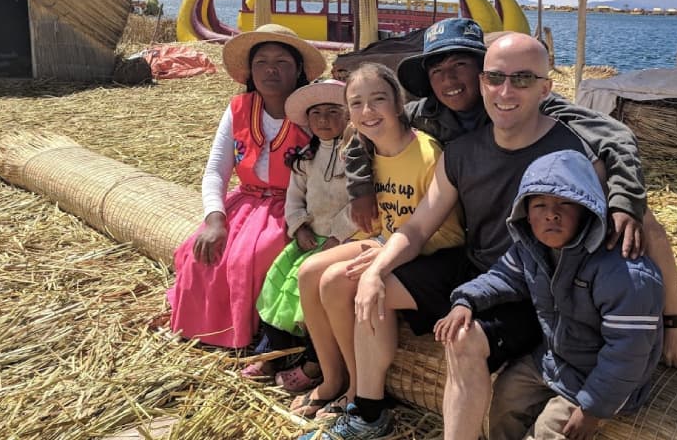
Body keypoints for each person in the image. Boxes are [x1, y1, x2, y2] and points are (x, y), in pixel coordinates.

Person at [353, 33, 677, 440]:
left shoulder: (574, 153)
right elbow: (419, 226)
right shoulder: (461, 152)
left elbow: (645, 228)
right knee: (365, 287)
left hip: (538, 289)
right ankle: (364, 408)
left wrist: (674, 322)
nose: (505, 91)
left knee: (463, 340)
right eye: (495, 78)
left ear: (546, 88)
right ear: (482, 83)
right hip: (483, 269)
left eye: (523, 80)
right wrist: (376, 271)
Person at [434, 150, 663, 440]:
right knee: (505, 401)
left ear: (587, 209)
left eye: (565, 204)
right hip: (553, 361)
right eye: (539, 205)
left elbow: (628, 354)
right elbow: (502, 277)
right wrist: (466, 300)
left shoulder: (623, 273)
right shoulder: (531, 250)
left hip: (598, 378)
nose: (551, 214)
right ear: (526, 215)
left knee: (548, 432)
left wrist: (593, 408)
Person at [291, 63, 464, 430]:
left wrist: (381, 255)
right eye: (356, 103)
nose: (367, 112)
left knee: (336, 280)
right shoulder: (364, 149)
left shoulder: (428, 153)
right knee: (308, 271)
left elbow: (434, 232)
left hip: (429, 251)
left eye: (378, 100)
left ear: (399, 104)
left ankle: (359, 392)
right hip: (388, 241)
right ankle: (332, 377)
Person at [166, 23, 326, 349]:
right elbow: (215, 170)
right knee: (201, 252)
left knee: (250, 258)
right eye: (261, 62)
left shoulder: (313, 114)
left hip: (293, 208)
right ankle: (201, 327)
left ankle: (253, 337)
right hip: (245, 203)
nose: (271, 69)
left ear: (298, 70)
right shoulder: (239, 109)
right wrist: (215, 219)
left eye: (282, 62)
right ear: (250, 71)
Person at [245, 80, 355, 392]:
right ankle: (270, 355)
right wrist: (299, 227)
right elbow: (295, 199)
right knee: (278, 290)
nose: (323, 119)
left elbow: (360, 203)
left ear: (348, 116)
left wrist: (337, 237)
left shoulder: (359, 157)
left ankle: (314, 363)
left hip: (342, 244)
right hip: (309, 241)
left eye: (333, 111)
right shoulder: (306, 159)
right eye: (316, 113)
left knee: (311, 306)